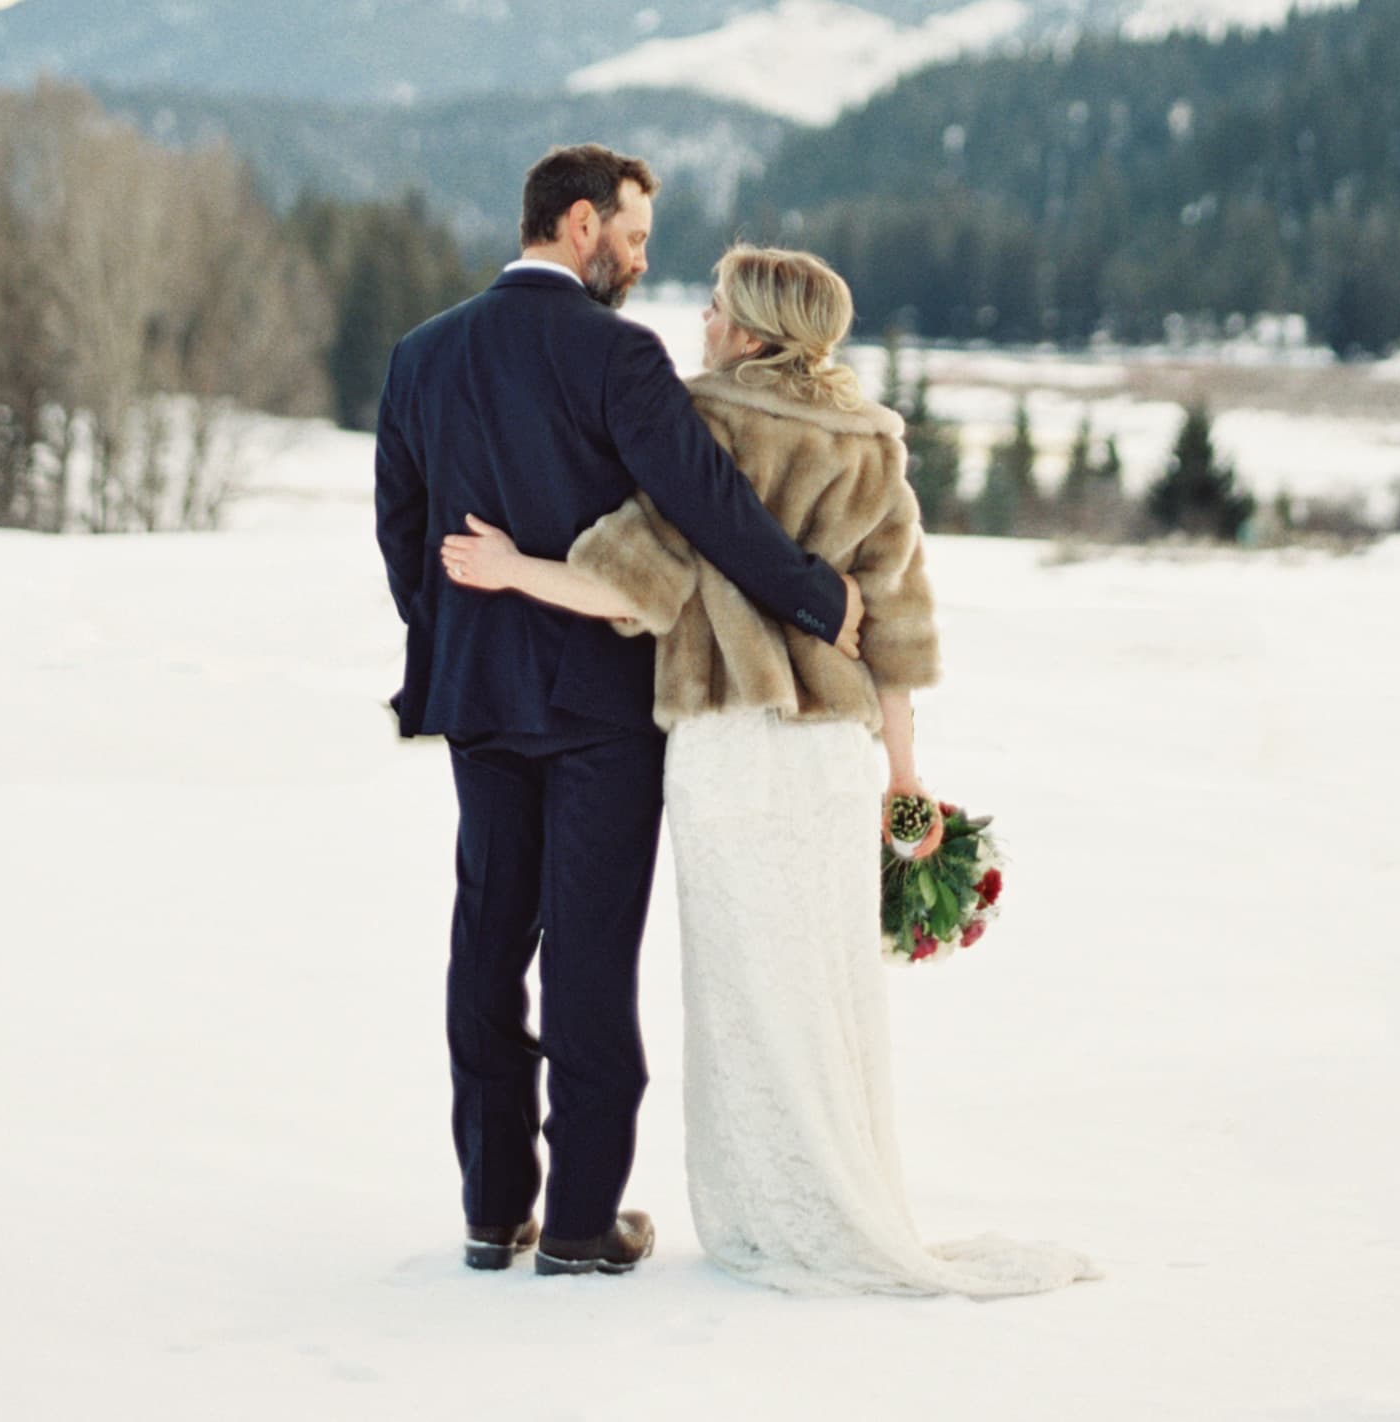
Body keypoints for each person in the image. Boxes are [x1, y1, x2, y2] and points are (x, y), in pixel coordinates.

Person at [442, 245, 1098, 1298]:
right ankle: (842, 1190)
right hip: (832, 760)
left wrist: (515, 568)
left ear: (749, 330)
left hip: (727, 746)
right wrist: (903, 772)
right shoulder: (875, 445)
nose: (699, 321)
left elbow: (631, 582)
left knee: (742, 988)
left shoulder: (703, 425)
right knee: (823, 984)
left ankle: (768, 1208)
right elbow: (896, 629)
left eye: (712, 307)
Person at [373, 147, 867, 1279]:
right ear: (582, 221)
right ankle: (585, 1220)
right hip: (601, 704)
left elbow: (403, 535)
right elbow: (707, 508)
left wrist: (463, 639)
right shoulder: (618, 354)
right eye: (635, 236)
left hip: (478, 700)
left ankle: (495, 1211)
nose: (644, 261)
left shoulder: (420, 354)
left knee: (487, 948)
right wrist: (814, 593)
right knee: (591, 955)